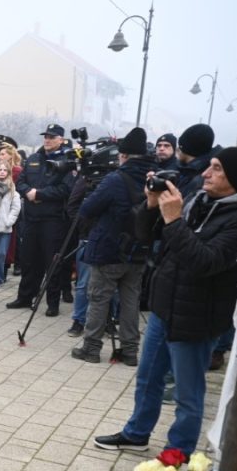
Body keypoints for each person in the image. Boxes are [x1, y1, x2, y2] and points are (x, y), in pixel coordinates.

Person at [94, 147, 237, 454]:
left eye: (216, 168)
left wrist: (173, 219)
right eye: (209, 166)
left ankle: (178, 450)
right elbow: (147, 237)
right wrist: (151, 206)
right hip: (164, 307)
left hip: (198, 316)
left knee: (187, 391)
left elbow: (204, 261)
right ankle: (136, 433)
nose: (205, 174)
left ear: (236, 177)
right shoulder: (199, 200)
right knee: (147, 379)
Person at [71, 127, 156, 365]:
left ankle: (91, 347)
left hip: (109, 249)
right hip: (139, 249)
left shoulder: (115, 179)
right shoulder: (153, 177)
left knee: (99, 298)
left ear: (124, 155)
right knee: (130, 301)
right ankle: (130, 351)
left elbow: (87, 209)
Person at [6, 124, 76, 316]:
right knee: (29, 260)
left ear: (61, 140)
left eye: (52, 137)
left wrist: (40, 194)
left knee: (51, 263)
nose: (47, 140)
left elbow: (66, 189)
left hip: (52, 221)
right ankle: (25, 297)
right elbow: (20, 181)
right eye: (46, 136)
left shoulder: (67, 162)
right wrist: (29, 192)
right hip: (31, 219)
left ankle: (52, 303)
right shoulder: (34, 158)